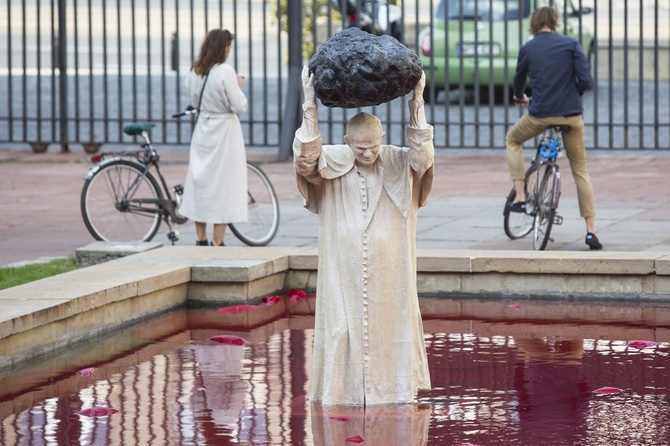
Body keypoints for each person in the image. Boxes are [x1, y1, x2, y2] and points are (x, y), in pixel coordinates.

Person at [293, 65, 433, 406]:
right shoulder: (335, 161)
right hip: (344, 268)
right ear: (346, 143)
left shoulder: (397, 160)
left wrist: (417, 101)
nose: (366, 154)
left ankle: (393, 393)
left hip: (389, 269)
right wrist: (309, 104)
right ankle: (342, 394)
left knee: (389, 329)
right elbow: (305, 162)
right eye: (359, 149)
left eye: (371, 147)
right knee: (342, 328)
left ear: (382, 138)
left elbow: (423, 157)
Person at [505, 6, 603, 250]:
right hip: (571, 115)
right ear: (555, 22)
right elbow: (586, 81)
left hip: (540, 115)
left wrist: (521, 97)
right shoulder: (571, 44)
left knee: (513, 140)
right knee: (580, 169)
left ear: (534, 24)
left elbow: (518, 82)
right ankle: (591, 231)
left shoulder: (528, 49)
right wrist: (572, 96)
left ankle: (519, 197)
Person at [180, 29, 248, 246]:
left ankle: (201, 239)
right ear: (223, 47)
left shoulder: (194, 70)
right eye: (229, 46)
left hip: (203, 129)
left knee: (200, 182)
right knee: (224, 184)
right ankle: (218, 242)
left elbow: (192, 98)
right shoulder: (225, 71)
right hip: (224, 131)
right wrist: (238, 86)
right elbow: (238, 106)